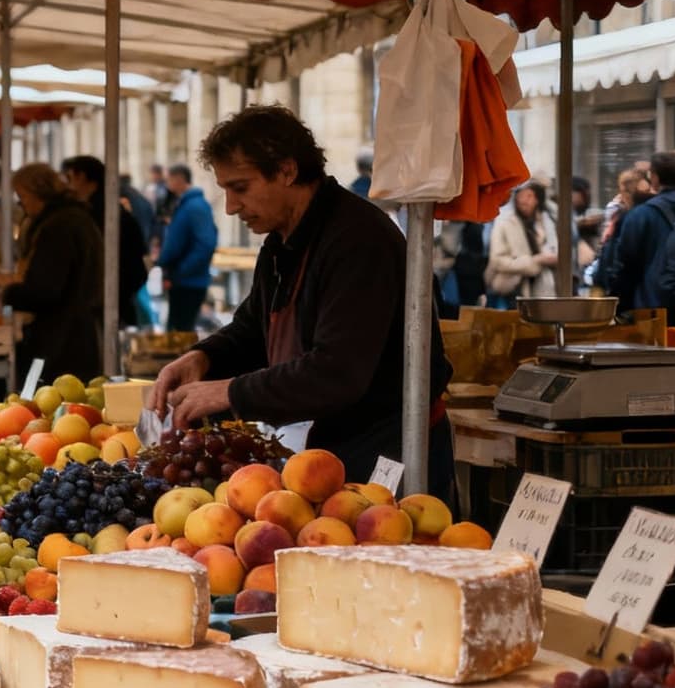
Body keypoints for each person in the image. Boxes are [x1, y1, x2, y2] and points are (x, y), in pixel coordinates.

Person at [150, 105, 453, 495]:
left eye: (240, 187)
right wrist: (203, 358)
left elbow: (336, 371)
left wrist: (228, 392)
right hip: (331, 445)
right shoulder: (282, 240)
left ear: (287, 171)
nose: (230, 206)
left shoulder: (357, 242)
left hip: (390, 451)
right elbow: (253, 330)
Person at [1, 164, 103, 381]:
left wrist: (8, 293)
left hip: (62, 340)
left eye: (23, 196)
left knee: (60, 403)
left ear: (38, 193)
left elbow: (45, 290)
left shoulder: (58, 227)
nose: (22, 204)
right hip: (75, 333)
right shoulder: (73, 217)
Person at [61, 154, 149, 328]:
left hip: (101, 306)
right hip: (114, 302)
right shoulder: (111, 210)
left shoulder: (94, 215)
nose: (68, 186)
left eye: (70, 178)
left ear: (83, 177)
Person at [600, 151, 675, 313]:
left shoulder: (640, 215)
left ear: (655, 178)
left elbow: (625, 265)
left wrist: (619, 304)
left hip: (650, 309)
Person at [157, 162, 219, 334]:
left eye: (169, 180)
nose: (167, 184)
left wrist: (182, 271)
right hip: (182, 279)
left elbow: (205, 244)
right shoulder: (185, 205)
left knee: (181, 332)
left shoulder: (195, 207)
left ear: (179, 180)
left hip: (189, 281)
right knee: (176, 330)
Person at [485, 181, 561, 305]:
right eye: (522, 195)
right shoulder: (504, 223)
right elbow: (497, 261)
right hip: (511, 289)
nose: (524, 200)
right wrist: (535, 261)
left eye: (530, 196)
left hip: (542, 288)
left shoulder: (546, 222)